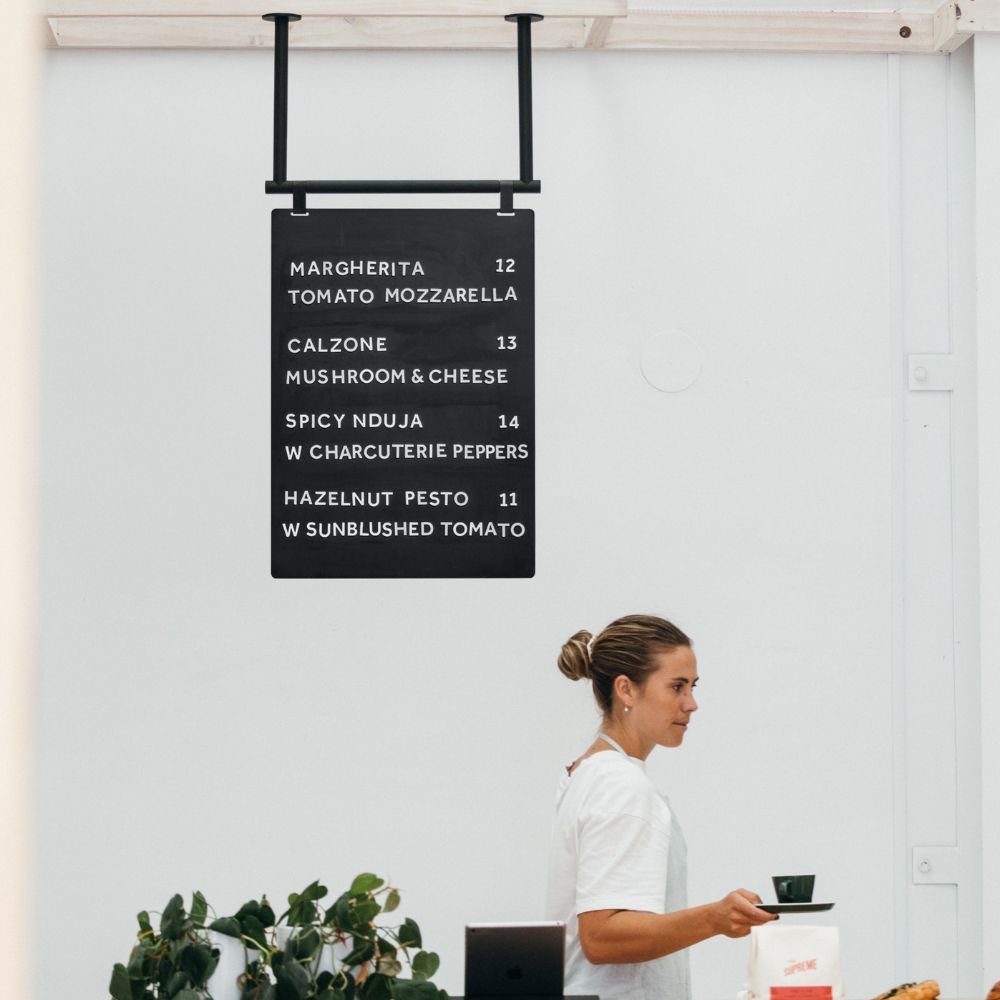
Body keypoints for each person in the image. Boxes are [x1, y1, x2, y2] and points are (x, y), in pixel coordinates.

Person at [545, 614, 776, 1000]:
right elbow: (601, 937)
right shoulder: (621, 785)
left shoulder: (587, 774)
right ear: (626, 690)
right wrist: (715, 918)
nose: (692, 703)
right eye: (677, 687)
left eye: (693, 686)